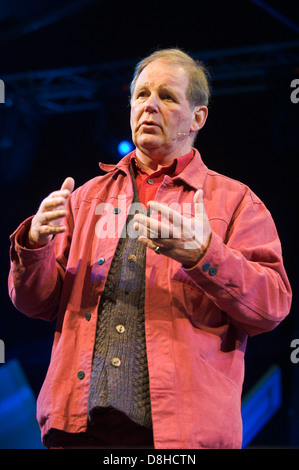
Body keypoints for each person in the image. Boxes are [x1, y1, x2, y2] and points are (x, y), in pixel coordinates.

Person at [8, 48, 292, 449]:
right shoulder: (85, 199)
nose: (149, 105)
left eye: (167, 96)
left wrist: (204, 255)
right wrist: (34, 244)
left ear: (198, 117)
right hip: (77, 431)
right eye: (141, 95)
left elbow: (271, 308)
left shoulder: (236, 201)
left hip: (182, 438)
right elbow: (34, 303)